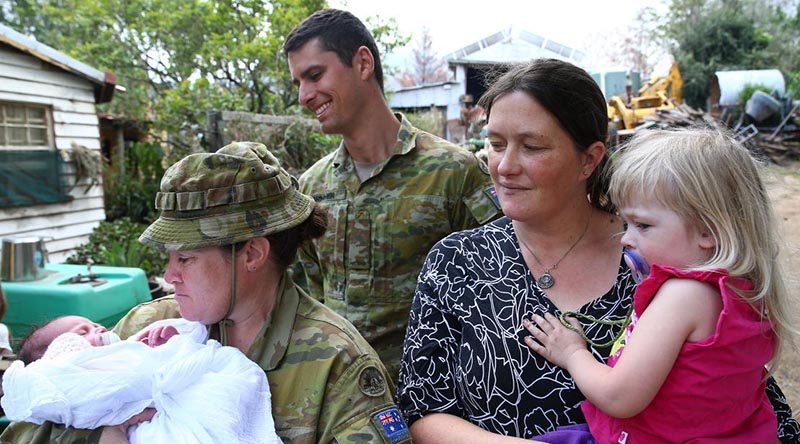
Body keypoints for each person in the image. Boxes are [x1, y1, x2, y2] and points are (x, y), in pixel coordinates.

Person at [396, 59, 800, 443]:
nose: (504, 166)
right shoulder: (456, 261)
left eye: (531, 147)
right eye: (496, 144)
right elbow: (422, 408)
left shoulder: (666, 254)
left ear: (589, 159)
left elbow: (744, 396)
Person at [0, 141, 409, 444]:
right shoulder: (148, 326)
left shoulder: (334, 364)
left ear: (251, 253)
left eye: (186, 259)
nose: (168, 274)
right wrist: (102, 436)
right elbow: (27, 419)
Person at [524, 128, 797, 442]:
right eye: (626, 224)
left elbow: (619, 397)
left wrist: (572, 352)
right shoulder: (742, 290)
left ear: (708, 231)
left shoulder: (684, 296)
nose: (626, 238)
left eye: (643, 225)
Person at [284, 9, 502, 375]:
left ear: (363, 63)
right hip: (341, 402)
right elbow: (312, 298)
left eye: (315, 75)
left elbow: (497, 288)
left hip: (432, 402)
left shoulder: (453, 172)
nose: (305, 95)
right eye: (298, 84)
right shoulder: (311, 188)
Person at [4, 315, 278, 443]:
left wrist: (168, 343)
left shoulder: (132, 338)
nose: (99, 328)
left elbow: (162, 361)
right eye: (83, 330)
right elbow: (76, 380)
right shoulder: (69, 366)